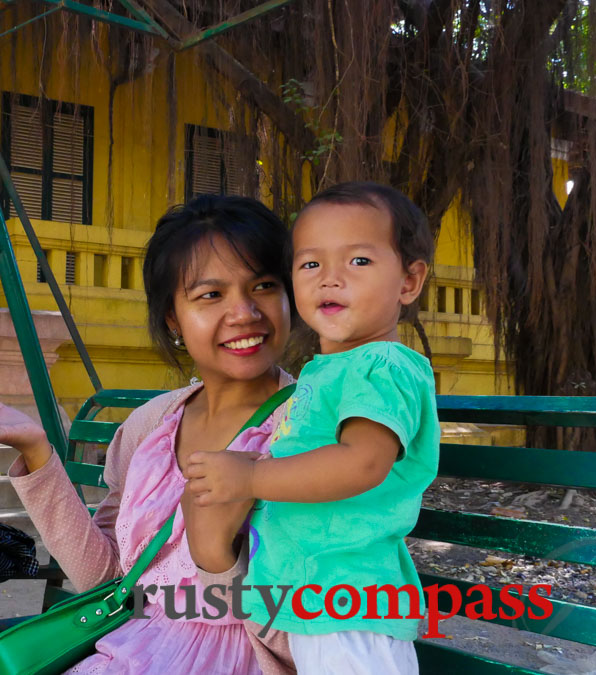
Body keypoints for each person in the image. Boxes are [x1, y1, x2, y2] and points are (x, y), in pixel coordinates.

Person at [0, 194, 298, 674]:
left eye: (263, 285)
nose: (244, 312)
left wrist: (220, 561)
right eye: (210, 295)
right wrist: (34, 450)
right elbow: (112, 580)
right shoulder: (152, 427)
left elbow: (331, 616)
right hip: (131, 653)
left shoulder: (310, 434)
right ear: (173, 318)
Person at [185, 182, 438, 674]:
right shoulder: (331, 371)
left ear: (409, 281)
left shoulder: (382, 365)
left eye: (359, 262)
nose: (330, 279)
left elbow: (363, 462)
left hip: (350, 606)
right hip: (318, 602)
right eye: (310, 264)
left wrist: (251, 479)